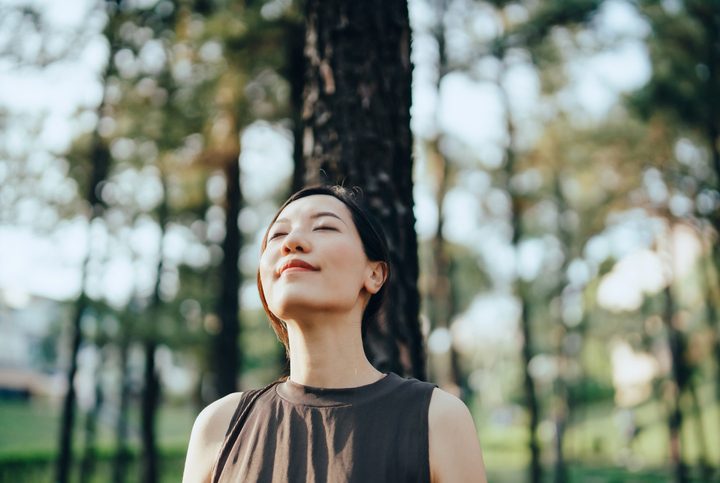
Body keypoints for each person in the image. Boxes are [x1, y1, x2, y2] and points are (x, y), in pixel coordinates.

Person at [182, 185, 487, 483]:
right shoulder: (219, 426)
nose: (293, 242)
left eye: (324, 227)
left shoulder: (438, 420)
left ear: (374, 274)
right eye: (278, 234)